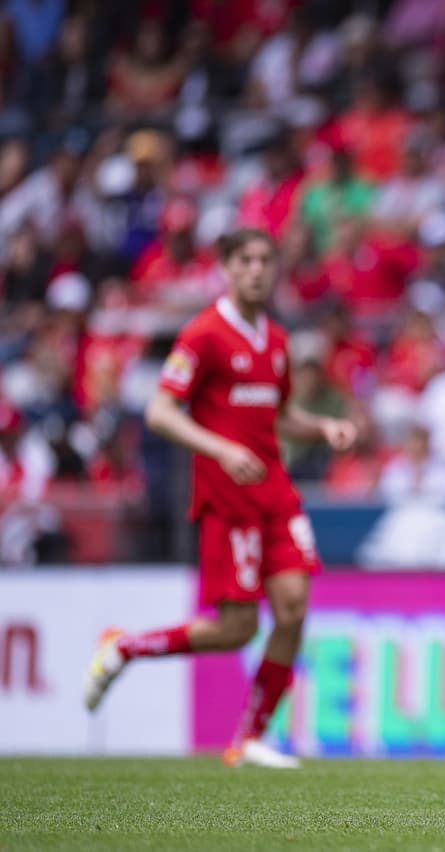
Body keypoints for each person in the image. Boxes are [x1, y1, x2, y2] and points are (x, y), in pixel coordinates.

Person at [82, 228, 358, 769]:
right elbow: (161, 412)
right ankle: (124, 646)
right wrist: (222, 449)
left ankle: (250, 738)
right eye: (246, 260)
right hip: (226, 499)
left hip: (275, 493)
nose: (257, 269)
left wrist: (323, 428)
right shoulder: (203, 334)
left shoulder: (277, 340)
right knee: (238, 628)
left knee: (294, 606)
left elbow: (278, 415)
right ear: (227, 269)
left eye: (265, 260)